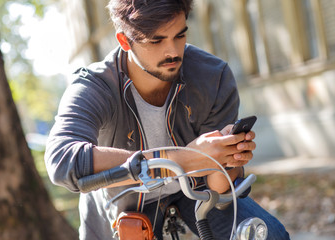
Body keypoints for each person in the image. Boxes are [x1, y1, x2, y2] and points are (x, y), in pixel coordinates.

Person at [45, 0, 290, 239]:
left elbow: (218, 189)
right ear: (124, 41)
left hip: (196, 193)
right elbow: (62, 159)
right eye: (156, 40)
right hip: (124, 202)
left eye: (179, 36)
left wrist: (226, 158)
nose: (173, 51)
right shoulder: (95, 85)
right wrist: (179, 160)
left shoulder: (213, 76)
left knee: (269, 234)